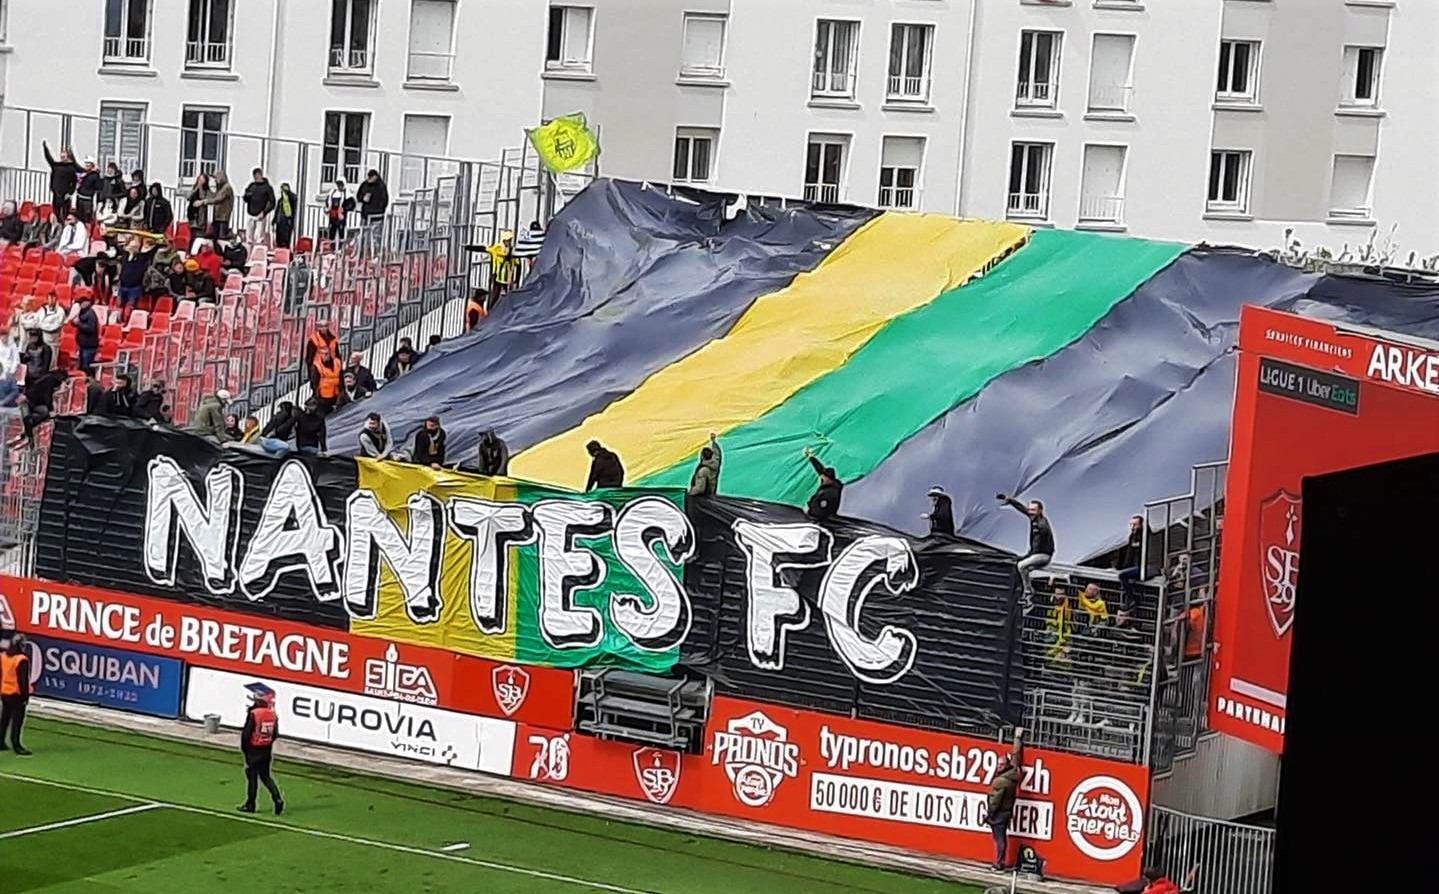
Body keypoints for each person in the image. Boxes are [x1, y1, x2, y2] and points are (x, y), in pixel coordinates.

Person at [997, 493, 1055, 605]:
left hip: (1043, 555)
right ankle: (1026, 597)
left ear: (1040, 511)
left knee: (1021, 565)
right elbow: (1022, 508)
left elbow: (1037, 545)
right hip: (1037, 553)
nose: (1030, 512)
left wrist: (1027, 556)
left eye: (1033, 510)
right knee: (1024, 570)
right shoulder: (1034, 517)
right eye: (1030, 510)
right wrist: (1010, 500)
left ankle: (1028, 592)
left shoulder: (1042, 525)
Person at [238, 686, 285, 815]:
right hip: (266, 749)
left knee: (252, 777)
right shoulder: (272, 714)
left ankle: (251, 804)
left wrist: (245, 749)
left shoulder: (254, 714)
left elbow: (246, 734)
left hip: (254, 749)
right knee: (266, 776)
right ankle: (277, 799)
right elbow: (275, 734)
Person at [985, 727, 1025, 871]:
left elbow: (994, 801)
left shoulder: (1000, 781)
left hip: (999, 813)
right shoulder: (1013, 772)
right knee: (1001, 838)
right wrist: (1017, 738)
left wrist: (989, 815)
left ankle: (999, 863)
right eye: (998, 764)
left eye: (1001, 764)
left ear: (1005, 765)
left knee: (999, 839)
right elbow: (1016, 756)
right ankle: (999, 862)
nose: (998, 766)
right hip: (1007, 811)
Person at [0, 634, 34, 755]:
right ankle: (16, 744)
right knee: (17, 720)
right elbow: (22, 679)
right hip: (16, 693)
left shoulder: (4, 656)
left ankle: (1, 741)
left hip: (4, 691)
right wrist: (25, 696)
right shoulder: (21, 659)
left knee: (5, 718)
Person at [115, 236, 159, 319]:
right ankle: (119, 320)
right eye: (131, 247)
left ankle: (128, 320)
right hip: (123, 286)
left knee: (131, 307)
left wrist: (156, 243)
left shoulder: (141, 258)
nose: (132, 248)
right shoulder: (125, 256)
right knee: (120, 305)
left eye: (135, 247)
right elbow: (117, 247)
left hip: (134, 287)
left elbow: (151, 252)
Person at [1115, 515, 1145, 622]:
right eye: (1131, 525)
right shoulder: (1132, 537)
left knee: (1122, 576)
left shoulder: (1146, 535)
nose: (1132, 527)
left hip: (1144, 568)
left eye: (1135, 524)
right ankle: (1132, 602)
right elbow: (1129, 554)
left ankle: (1132, 599)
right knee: (1126, 579)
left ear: (1141, 524)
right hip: (1134, 568)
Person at [42, 141, 82, 217]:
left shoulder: (71, 167)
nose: (62, 158)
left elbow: (74, 182)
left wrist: (70, 193)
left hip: (65, 195)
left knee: (65, 214)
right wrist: (45, 148)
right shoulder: (56, 166)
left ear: (68, 157)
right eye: (61, 156)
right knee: (56, 213)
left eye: (64, 156)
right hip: (56, 194)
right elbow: (49, 158)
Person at [803, 447, 842, 521]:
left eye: (823, 477)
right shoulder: (830, 483)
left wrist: (809, 513)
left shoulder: (829, 492)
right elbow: (820, 469)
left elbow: (822, 509)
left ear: (827, 478)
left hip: (817, 518)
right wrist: (811, 457)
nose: (821, 478)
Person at [28, 292, 66, 365]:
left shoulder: (60, 311)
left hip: (53, 339)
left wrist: (42, 326)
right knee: (43, 357)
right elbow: (36, 319)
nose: (51, 300)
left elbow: (55, 326)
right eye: (49, 298)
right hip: (42, 338)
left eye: (53, 298)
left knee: (52, 358)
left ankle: (52, 369)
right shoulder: (43, 309)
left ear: (56, 299)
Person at [356, 169, 388, 252]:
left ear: (375, 177)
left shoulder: (381, 186)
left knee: (376, 237)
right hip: (365, 215)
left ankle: (376, 254)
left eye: (371, 177)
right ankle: (362, 252)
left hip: (376, 216)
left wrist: (379, 210)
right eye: (368, 177)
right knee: (363, 235)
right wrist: (363, 198)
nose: (369, 179)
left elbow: (384, 200)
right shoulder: (365, 184)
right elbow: (358, 196)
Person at [243, 168, 276, 244]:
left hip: (261, 215)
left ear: (261, 175)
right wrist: (247, 196)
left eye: (257, 175)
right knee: (249, 238)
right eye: (255, 176)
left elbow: (272, 202)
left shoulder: (267, 188)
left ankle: (258, 249)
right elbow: (246, 198)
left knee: (259, 239)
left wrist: (264, 212)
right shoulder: (251, 186)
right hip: (250, 214)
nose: (256, 177)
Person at [487, 230, 517, 307]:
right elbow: (487, 249)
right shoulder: (497, 248)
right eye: (508, 240)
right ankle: (491, 310)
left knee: (507, 299)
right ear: (504, 240)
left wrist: (515, 280)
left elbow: (517, 263)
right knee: (495, 297)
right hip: (498, 278)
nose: (509, 242)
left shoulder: (513, 251)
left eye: (510, 240)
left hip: (508, 279)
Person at [311, 346, 344, 414]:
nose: (326, 356)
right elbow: (314, 381)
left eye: (327, 353)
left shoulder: (337, 362)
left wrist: (342, 390)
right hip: (323, 396)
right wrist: (316, 393)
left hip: (336, 393)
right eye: (323, 354)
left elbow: (341, 377)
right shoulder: (317, 365)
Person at [205, 170, 235, 239]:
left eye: (216, 178)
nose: (215, 180)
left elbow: (217, 199)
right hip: (217, 216)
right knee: (215, 237)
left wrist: (205, 201)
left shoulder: (226, 188)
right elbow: (213, 196)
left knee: (221, 238)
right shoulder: (220, 188)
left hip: (223, 217)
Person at [187, 171, 213, 241]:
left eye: (202, 180)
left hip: (200, 215)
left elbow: (210, 198)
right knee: (192, 233)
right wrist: (195, 189)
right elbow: (188, 197)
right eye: (199, 179)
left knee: (199, 234)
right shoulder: (195, 188)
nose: (200, 181)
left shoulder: (206, 191)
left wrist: (201, 189)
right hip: (192, 214)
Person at [74, 156, 101, 221]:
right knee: (78, 217)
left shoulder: (95, 175)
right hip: (79, 198)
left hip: (88, 200)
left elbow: (98, 188)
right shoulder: (82, 174)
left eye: (89, 163)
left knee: (87, 218)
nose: (87, 165)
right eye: (86, 163)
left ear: (92, 165)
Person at [274, 182, 298, 249]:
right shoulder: (280, 200)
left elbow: (293, 210)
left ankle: (285, 250)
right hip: (280, 221)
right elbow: (277, 210)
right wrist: (274, 220)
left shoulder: (292, 199)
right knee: (279, 239)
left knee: (286, 239)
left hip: (287, 222)